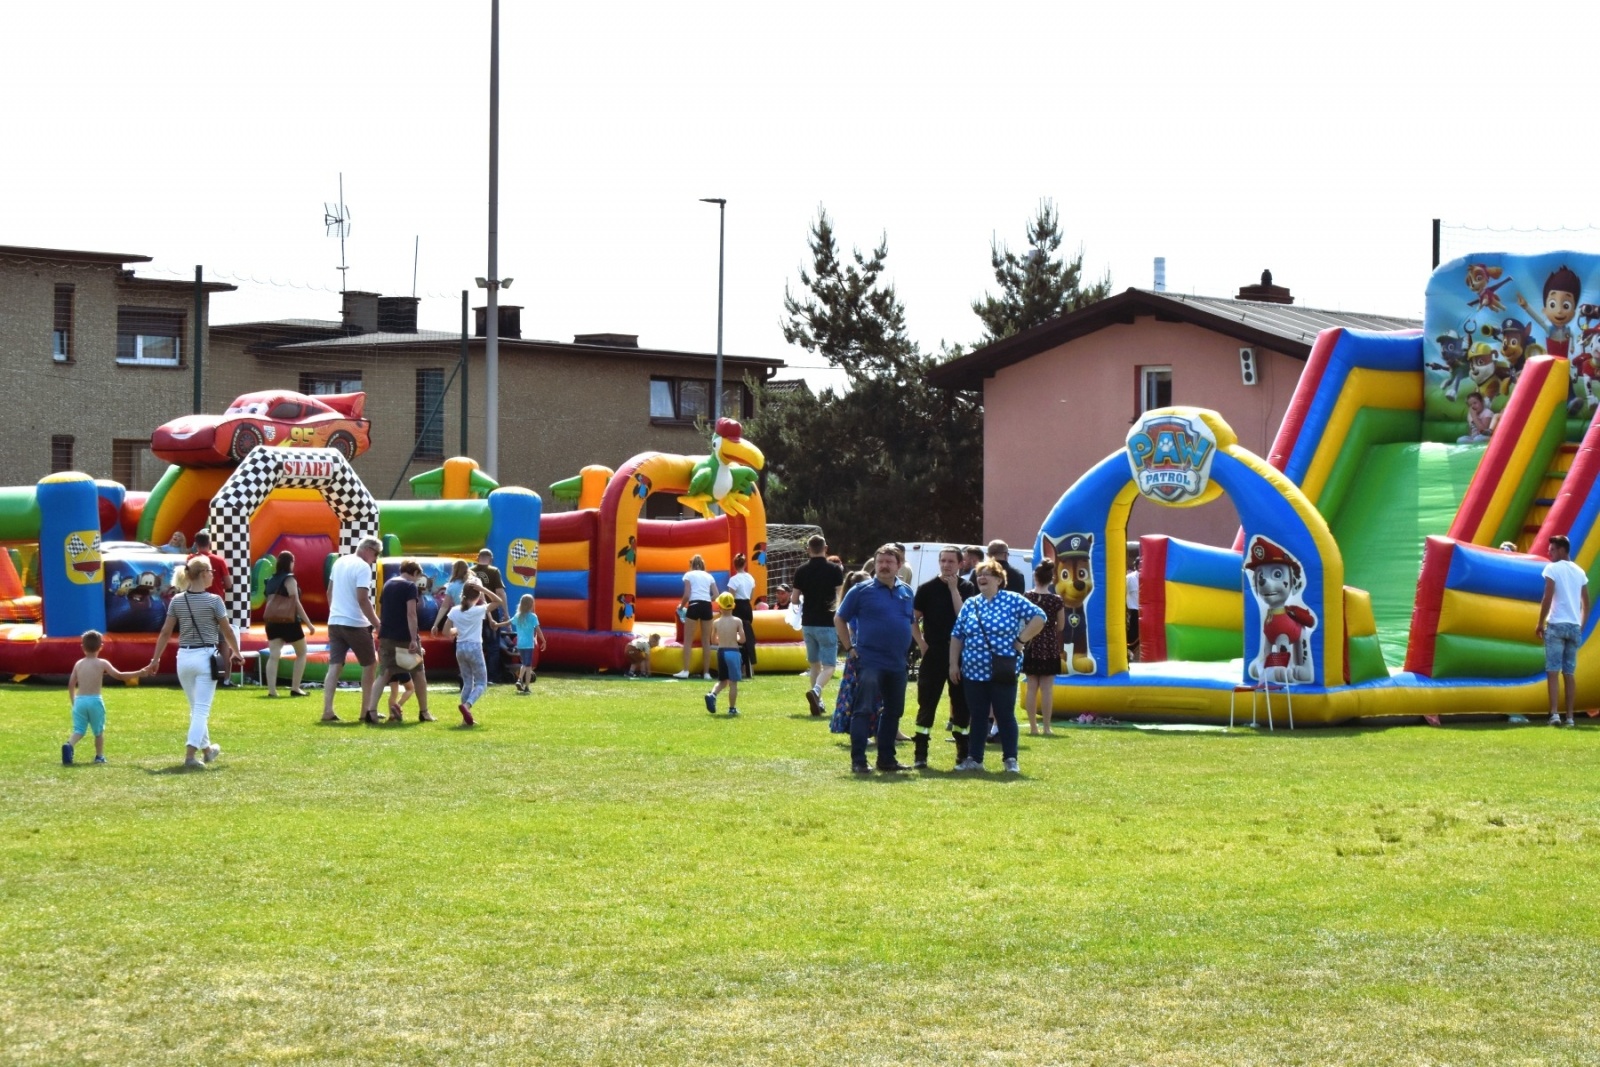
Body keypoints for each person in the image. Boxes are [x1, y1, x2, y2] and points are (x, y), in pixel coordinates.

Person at [950, 559, 1046, 773]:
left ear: (999, 579)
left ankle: (1010, 759)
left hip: (1003, 669)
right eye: (979, 574)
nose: (981, 578)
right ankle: (975, 759)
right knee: (977, 714)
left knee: (1004, 714)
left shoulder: (1013, 600)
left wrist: (1021, 640)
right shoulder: (971, 604)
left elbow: (1040, 617)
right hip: (973, 671)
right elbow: (957, 635)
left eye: (987, 574)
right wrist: (953, 664)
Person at [148, 556, 243, 770]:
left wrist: (155, 659)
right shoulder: (214, 601)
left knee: (195, 708)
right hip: (205, 658)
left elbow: (165, 632)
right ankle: (190, 755)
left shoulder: (177, 601)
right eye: (211, 572)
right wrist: (236, 651)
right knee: (201, 710)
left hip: (183, 658)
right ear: (202, 574)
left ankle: (207, 750)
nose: (213, 575)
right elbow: (227, 630)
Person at [835, 545, 916, 774]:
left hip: (897, 662)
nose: (883, 565)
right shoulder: (861, 590)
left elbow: (909, 622)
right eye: (880, 561)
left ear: (899, 565)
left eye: (889, 562)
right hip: (869, 660)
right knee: (864, 709)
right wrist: (849, 648)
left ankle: (886, 759)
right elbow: (839, 619)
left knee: (893, 711)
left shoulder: (907, 591)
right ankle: (859, 760)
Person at [912, 546, 976, 769]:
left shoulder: (968, 588)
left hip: (960, 654)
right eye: (943, 561)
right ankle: (920, 753)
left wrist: (952, 590)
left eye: (951, 561)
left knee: (961, 704)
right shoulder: (926, 589)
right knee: (927, 701)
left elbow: (964, 617)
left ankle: (962, 753)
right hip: (935, 652)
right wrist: (921, 643)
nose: (947, 565)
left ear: (960, 564)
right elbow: (913, 618)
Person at [322, 537, 383, 724]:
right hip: (355, 623)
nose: (375, 559)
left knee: (335, 666)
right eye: (377, 554)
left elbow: (329, 592)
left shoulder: (339, 562)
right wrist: (378, 623)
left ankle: (327, 710)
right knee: (370, 664)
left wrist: (335, 611)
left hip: (335, 621)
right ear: (369, 550)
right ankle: (366, 710)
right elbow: (363, 599)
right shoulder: (363, 567)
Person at [63, 630, 143, 765]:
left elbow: (71, 684)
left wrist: (73, 701)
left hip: (80, 701)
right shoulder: (102, 663)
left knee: (79, 730)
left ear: (83, 647)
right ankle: (99, 756)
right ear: (101, 646)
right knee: (98, 731)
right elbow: (119, 675)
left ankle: (69, 745)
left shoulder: (78, 664)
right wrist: (139, 672)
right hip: (95, 700)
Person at [1537, 533, 1589, 727]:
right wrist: (1580, 625)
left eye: (1551, 550)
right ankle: (1570, 717)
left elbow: (1547, 597)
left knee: (1552, 671)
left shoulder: (1552, 568)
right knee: (1569, 673)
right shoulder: (1579, 571)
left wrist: (1540, 622)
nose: (1549, 553)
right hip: (1574, 626)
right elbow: (1586, 602)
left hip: (1557, 624)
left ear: (1561, 550)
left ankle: (1554, 714)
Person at [792, 535, 845, 716]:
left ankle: (818, 702)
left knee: (814, 664)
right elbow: (841, 596)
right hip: (828, 622)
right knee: (829, 665)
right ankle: (816, 691)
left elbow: (793, 599)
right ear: (826, 548)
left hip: (808, 622)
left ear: (808, 549)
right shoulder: (835, 570)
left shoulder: (801, 571)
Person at [445, 582, 510, 726]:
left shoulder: (455, 610)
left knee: (468, 682)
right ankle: (467, 705)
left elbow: (446, 632)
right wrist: (483, 589)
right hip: (474, 647)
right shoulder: (478, 610)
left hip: (460, 647)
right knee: (481, 683)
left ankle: (465, 720)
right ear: (477, 596)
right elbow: (498, 601)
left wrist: (457, 631)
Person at [376, 559, 432, 723]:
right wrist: (414, 638)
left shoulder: (388, 584)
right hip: (405, 638)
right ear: (414, 573)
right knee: (418, 673)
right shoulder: (409, 586)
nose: (417, 580)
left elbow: (382, 609)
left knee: (385, 674)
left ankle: (371, 710)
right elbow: (411, 614)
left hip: (387, 635)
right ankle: (424, 712)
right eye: (417, 576)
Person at [262, 550, 315, 698]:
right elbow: (295, 603)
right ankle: (295, 688)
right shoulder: (289, 579)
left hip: (272, 621)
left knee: (274, 655)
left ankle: (272, 691)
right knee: (302, 652)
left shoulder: (270, 580)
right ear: (290, 563)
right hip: (289, 621)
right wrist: (308, 623)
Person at [1022, 561, 1066, 736]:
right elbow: (1061, 626)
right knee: (1047, 688)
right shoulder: (1056, 600)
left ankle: (1033, 727)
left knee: (1031, 686)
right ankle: (1047, 726)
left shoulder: (1027, 596)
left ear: (1035, 576)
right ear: (1052, 579)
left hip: (1030, 643)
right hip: (1049, 644)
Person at [674, 554, 719, 680]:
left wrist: (681, 606)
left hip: (694, 605)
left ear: (691, 565)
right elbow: (716, 594)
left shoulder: (689, 575)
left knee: (688, 640)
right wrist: (706, 599)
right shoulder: (709, 576)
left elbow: (687, 595)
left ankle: (686, 670)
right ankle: (706, 673)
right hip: (706, 606)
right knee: (706, 641)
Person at [704, 592, 747, 717]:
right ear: (733, 606)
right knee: (733, 682)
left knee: (723, 680)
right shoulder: (737, 621)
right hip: (733, 652)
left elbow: (713, 641)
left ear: (720, 607)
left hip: (721, 652)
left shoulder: (716, 622)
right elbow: (743, 640)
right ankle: (732, 708)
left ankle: (712, 694)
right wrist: (737, 636)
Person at [472, 549, 509, 682]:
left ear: (478, 557)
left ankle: (475, 676)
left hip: (473, 613)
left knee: (475, 645)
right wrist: (506, 613)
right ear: (491, 559)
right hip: (491, 611)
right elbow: (500, 593)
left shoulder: (471, 571)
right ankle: (491, 676)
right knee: (493, 646)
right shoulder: (494, 571)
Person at [726, 551, 758, 677]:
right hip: (747, 607)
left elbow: (731, 598)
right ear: (745, 564)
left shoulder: (733, 580)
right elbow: (751, 596)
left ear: (734, 565)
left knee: (737, 638)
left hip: (738, 607)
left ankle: (739, 666)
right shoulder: (750, 578)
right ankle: (747, 666)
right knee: (747, 636)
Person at [512, 593, 546, 692]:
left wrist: (497, 624)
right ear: (531, 605)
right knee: (528, 666)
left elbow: (510, 621)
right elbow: (538, 630)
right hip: (529, 644)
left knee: (524, 663)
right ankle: (527, 687)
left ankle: (519, 680)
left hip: (520, 644)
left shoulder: (518, 616)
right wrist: (543, 640)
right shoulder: (532, 616)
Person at [431, 559, 471, 635]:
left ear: (454, 570)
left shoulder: (451, 586)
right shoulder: (474, 582)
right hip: (474, 616)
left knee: (459, 639)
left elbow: (444, 606)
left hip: (459, 617)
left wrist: (435, 624)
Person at [1125, 550, 1141, 662]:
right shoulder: (1129, 578)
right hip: (1133, 610)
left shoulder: (1149, 578)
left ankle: (1132, 653)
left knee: (1142, 635)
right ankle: (1127, 653)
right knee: (1132, 635)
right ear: (1136, 565)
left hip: (1145, 611)